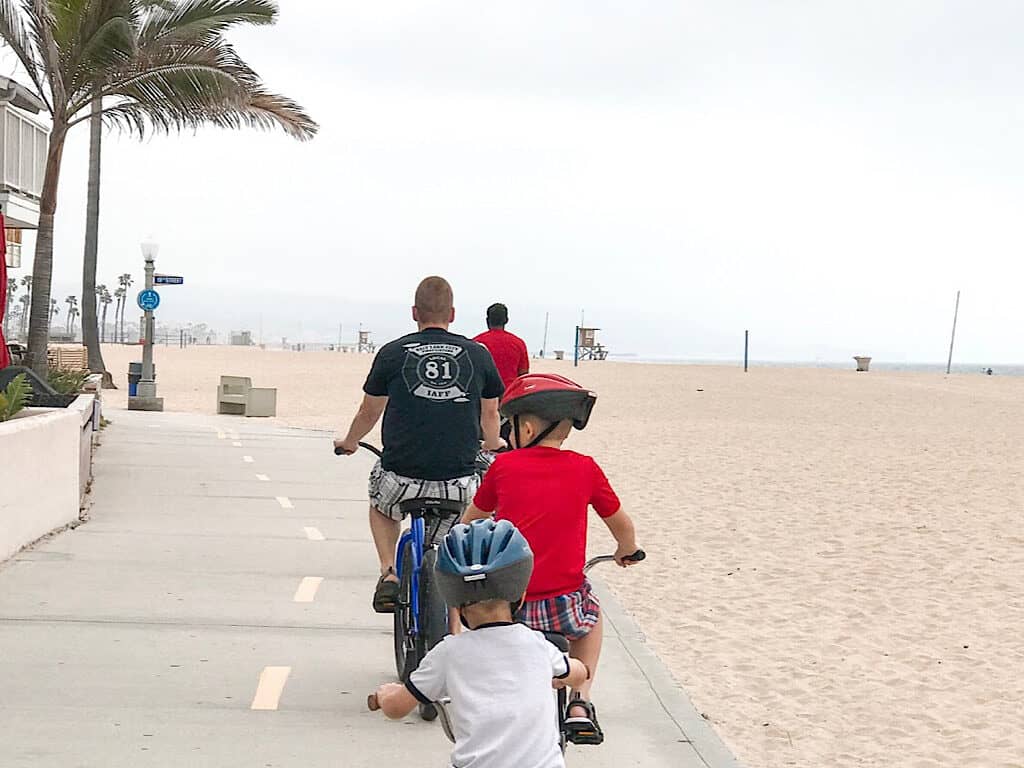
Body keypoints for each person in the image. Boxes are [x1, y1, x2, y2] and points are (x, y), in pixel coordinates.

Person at [461, 373, 641, 745]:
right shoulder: (585, 467)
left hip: (513, 604)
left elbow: (470, 522)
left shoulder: (504, 468)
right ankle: (580, 699)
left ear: (526, 428)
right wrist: (627, 549)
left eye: (511, 427)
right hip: (564, 602)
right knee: (591, 618)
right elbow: (621, 524)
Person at [335, 276, 506, 613]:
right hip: (458, 481)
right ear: (452, 314)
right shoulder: (478, 354)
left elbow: (369, 410)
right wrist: (492, 442)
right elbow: (490, 411)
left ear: (414, 312)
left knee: (380, 504)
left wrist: (350, 442)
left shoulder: (392, 352)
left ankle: (388, 572)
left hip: (402, 477)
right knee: (467, 517)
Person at [371, 519, 588, 768]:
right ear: (521, 594)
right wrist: (565, 676)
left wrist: (385, 696)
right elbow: (579, 672)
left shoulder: (448, 653)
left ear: (455, 603)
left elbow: (397, 708)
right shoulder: (536, 644)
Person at [473, 303, 529, 390]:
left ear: (487, 320)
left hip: (483, 396)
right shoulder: (518, 343)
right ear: (506, 320)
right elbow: (523, 376)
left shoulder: (476, 343)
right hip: (509, 396)